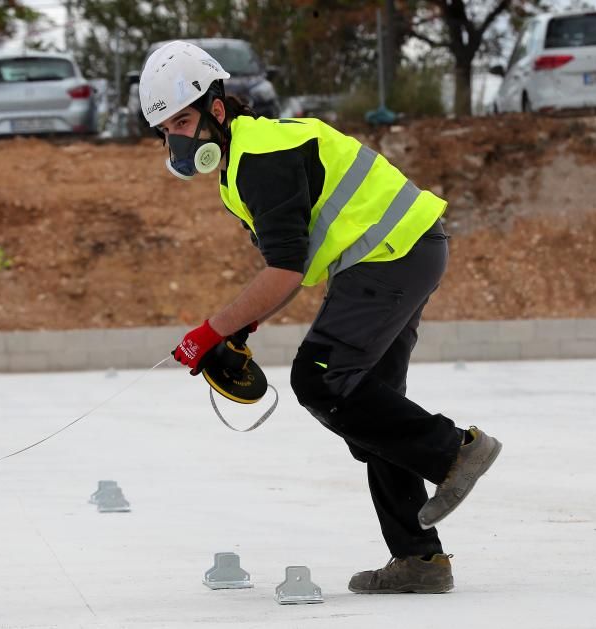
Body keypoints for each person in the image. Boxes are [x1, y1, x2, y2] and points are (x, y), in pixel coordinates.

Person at [140, 41, 502, 594]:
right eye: (165, 130)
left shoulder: (260, 157)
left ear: (217, 109)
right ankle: (419, 562)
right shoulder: (242, 165)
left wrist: (212, 332)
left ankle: (457, 449)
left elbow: (284, 272)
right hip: (402, 252)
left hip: (389, 255)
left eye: (183, 121)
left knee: (321, 380)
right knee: (376, 413)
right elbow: (292, 265)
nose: (177, 140)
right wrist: (241, 326)